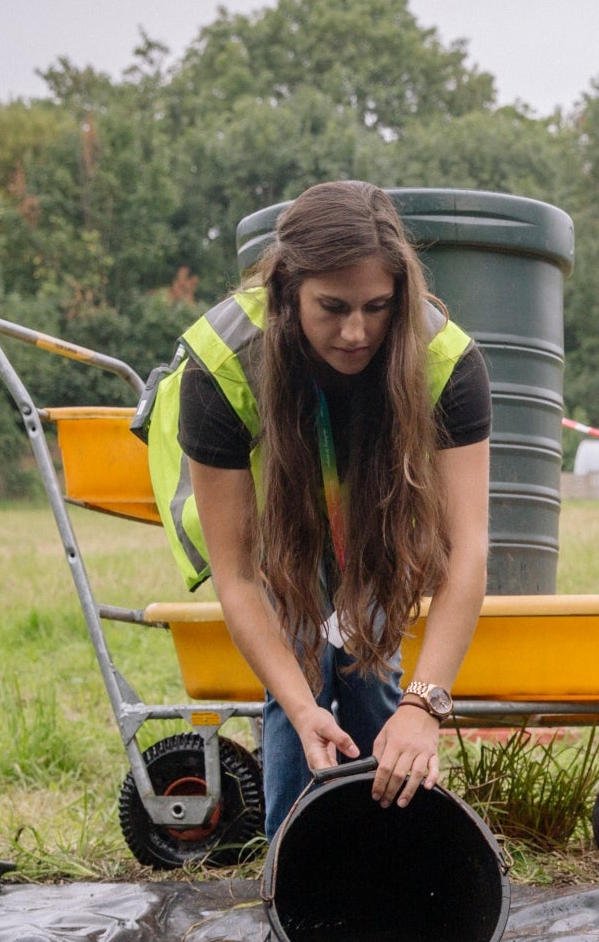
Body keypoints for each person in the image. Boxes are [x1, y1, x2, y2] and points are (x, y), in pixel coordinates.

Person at [136, 179, 491, 831]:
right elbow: (240, 578)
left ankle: (389, 851)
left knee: (368, 658)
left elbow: (467, 551)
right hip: (268, 496)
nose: (356, 332)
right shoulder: (224, 364)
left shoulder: (446, 362)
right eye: (331, 307)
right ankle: (294, 861)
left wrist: (423, 708)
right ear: (286, 292)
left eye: (376, 307)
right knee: (300, 650)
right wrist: (301, 708)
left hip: (372, 499)